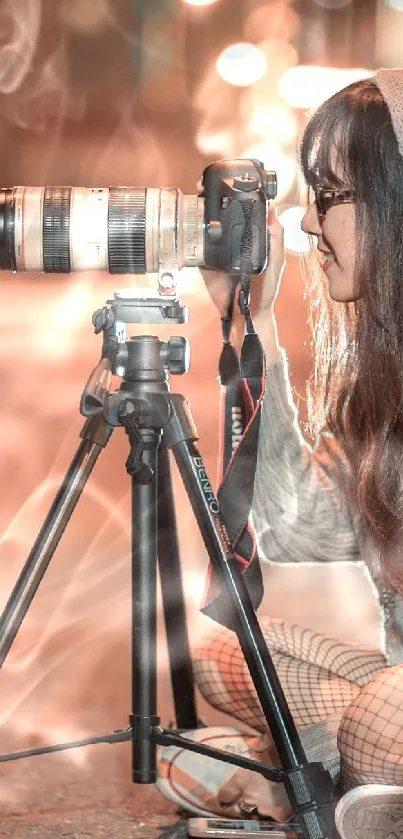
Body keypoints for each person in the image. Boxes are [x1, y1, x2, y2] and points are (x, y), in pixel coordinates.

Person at [156, 68, 403, 839]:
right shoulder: (382, 376)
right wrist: (249, 330)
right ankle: (346, 796)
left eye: (328, 195)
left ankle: (317, 784)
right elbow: (302, 531)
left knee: (373, 719)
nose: (303, 226)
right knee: (229, 656)